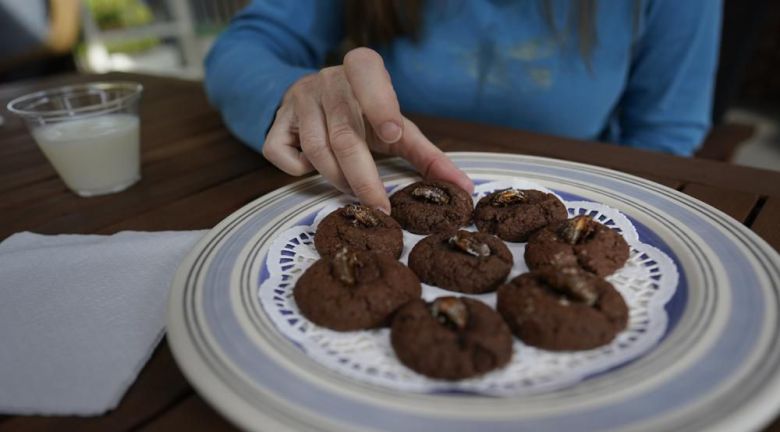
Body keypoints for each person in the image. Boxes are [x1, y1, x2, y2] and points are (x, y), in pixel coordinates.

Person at [205, 0, 722, 213]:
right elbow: (239, 50)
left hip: (585, 196)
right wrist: (293, 95)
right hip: (374, 187)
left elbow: (664, 136)